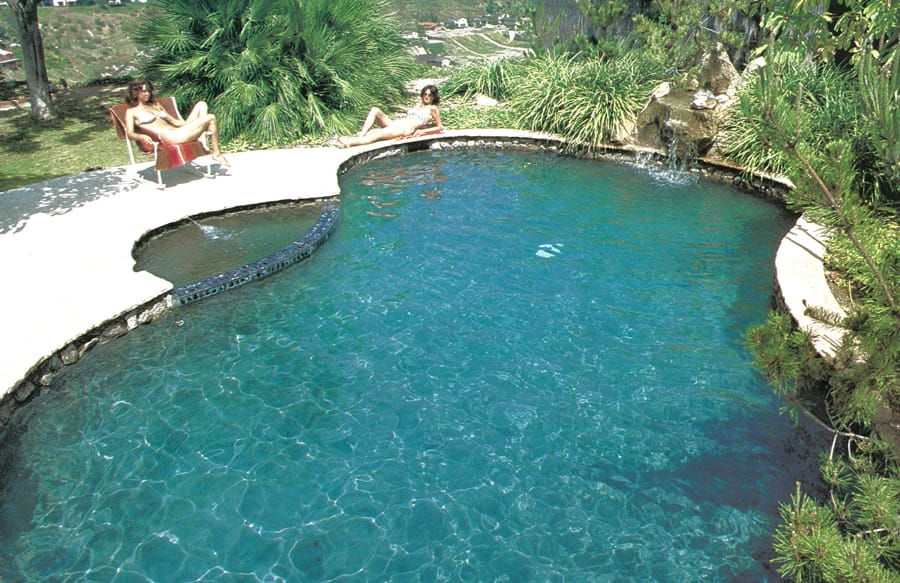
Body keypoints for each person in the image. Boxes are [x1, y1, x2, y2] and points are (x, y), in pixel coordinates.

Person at [124, 78, 229, 167]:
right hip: (170, 136)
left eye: (149, 90)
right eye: (144, 91)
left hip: (178, 131)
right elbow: (129, 133)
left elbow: (174, 122)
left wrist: (192, 125)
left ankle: (202, 137)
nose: (148, 93)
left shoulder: (155, 105)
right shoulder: (132, 112)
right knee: (211, 117)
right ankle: (216, 153)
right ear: (135, 92)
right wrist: (141, 136)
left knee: (201, 104)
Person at [337, 85, 444, 147]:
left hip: (404, 129)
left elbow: (440, 127)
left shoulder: (432, 108)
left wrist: (422, 131)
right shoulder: (418, 105)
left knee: (376, 134)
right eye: (425, 94)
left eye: (430, 95)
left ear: (434, 97)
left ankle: (351, 143)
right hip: (395, 123)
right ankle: (361, 135)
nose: (427, 97)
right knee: (375, 110)